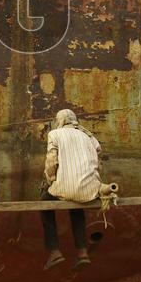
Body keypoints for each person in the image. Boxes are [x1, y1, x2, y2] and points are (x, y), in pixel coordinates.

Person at [41, 109, 100, 271]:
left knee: (45, 203)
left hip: (66, 188)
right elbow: (98, 156)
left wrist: (50, 180)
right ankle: (82, 253)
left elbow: (51, 162)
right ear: (74, 120)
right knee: (77, 206)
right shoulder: (89, 136)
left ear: (59, 121)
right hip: (90, 190)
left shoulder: (55, 134)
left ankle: (54, 251)